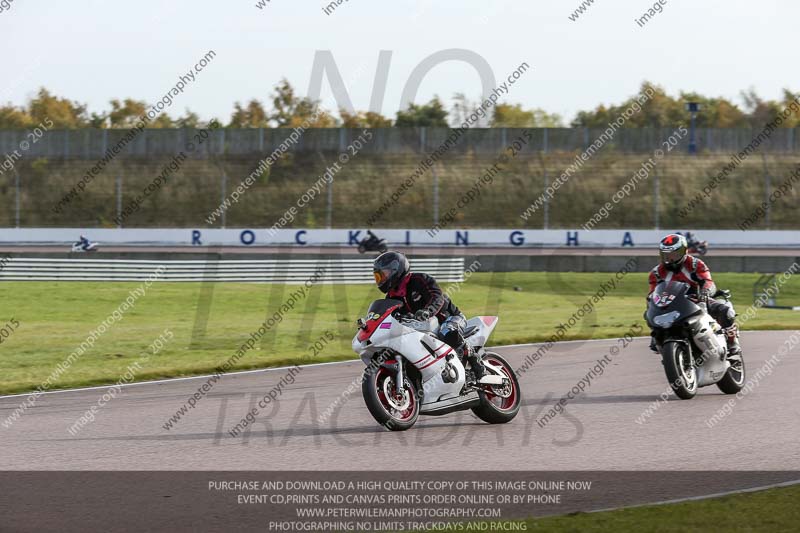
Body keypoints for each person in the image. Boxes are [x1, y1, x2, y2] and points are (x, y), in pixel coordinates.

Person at [372, 251, 486, 380]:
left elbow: (437, 298)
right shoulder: (391, 297)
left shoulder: (419, 279)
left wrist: (428, 311)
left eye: (384, 274)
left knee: (447, 331)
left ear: (396, 270)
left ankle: (476, 364)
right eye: (378, 276)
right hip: (423, 329)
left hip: (449, 318)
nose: (381, 279)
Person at [647, 234, 740, 357]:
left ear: (684, 251)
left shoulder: (695, 264)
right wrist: (652, 302)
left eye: (674, 254)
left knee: (725, 311)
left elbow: (708, 281)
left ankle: (732, 342)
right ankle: (656, 337)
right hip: (671, 304)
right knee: (648, 313)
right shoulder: (656, 273)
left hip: (696, 300)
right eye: (666, 255)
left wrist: (705, 292)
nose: (670, 258)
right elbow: (652, 293)